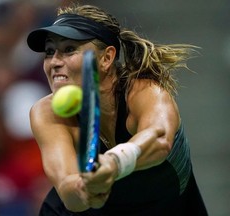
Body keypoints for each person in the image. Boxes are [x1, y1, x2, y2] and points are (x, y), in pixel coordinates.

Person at [27, 4, 208, 216]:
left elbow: (159, 139)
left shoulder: (144, 92)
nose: (54, 62)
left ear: (106, 58)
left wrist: (114, 163)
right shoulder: (47, 112)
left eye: (69, 49)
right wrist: (84, 189)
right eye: (49, 52)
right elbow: (68, 192)